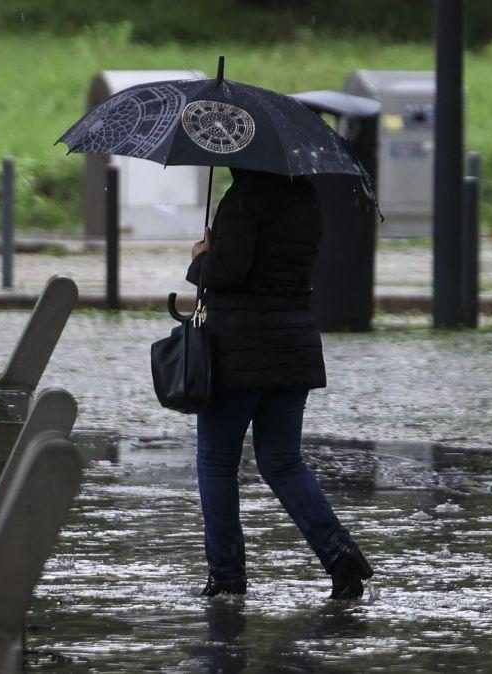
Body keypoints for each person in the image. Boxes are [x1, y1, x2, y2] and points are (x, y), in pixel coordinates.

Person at [185, 167, 373, 600]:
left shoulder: (244, 198)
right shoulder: (306, 196)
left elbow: (229, 270)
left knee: (216, 461)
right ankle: (340, 554)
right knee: (283, 461)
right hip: (293, 345)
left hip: (239, 352)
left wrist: (200, 258)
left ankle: (227, 577)